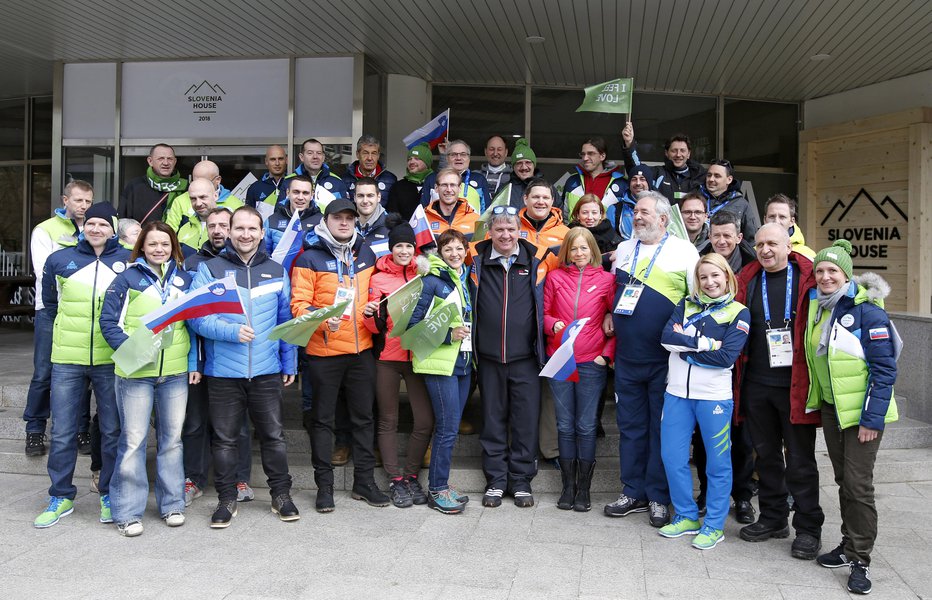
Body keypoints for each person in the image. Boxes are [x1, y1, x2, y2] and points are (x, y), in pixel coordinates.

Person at [190, 206, 299, 528]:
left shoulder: (277, 270)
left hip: (266, 369)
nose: (245, 234)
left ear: (262, 233)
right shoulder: (211, 269)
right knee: (224, 440)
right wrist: (230, 331)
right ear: (229, 231)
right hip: (223, 371)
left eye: (252, 229)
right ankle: (226, 499)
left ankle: (281, 495)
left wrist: (289, 360)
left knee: (274, 437)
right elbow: (196, 317)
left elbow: (285, 320)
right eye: (239, 228)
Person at [803, 240, 899, 595]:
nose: (825, 276)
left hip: (862, 413)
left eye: (833, 271)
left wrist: (872, 419)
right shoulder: (820, 308)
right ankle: (847, 546)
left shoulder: (868, 311)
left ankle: (860, 559)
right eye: (820, 271)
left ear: (847, 275)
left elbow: (884, 369)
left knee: (859, 485)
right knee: (845, 479)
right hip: (833, 408)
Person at [604, 191, 698, 528]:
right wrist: (607, 313)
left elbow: (696, 299)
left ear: (663, 218)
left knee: (661, 429)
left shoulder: (685, 251)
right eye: (635, 212)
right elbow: (612, 291)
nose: (637, 217)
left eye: (644, 212)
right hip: (627, 358)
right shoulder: (625, 248)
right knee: (629, 428)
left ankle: (658, 497)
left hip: (664, 360)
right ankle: (633, 492)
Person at [291, 198, 390, 512]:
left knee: (364, 419)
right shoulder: (309, 258)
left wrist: (376, 306)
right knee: (322, 422)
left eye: (349, 217)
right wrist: (322, 317)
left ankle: (364, 482)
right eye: (338, 218)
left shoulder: (367, 253)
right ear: (327, 221)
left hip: (362, 352)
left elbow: (377, 293)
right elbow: (298, 305)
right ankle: (325, 487)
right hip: (324, 352)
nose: (344, 223)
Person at [34, 202, 129, 528]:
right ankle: (61, 495)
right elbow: (49, 305)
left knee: (111, 430)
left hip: (109, 360)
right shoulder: (59, 259)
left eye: (103, 224)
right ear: (83, 227)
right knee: (61, 432)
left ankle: (108, 493)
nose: (96, 229)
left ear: (113, 229)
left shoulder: (128, 260)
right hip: (67, 360)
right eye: (91, 224)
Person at [99, 222, 196, 537]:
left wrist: (194, 363)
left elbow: (192, 326)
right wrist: (131, 351)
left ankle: (172, 506)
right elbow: (108, 322)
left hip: (174, 372)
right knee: (133, 441)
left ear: (173, 247)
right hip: (136, 373)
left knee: (172, 441)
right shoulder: (126, 279)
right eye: (152, 244)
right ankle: (127, 512)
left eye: (165, 244)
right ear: (141, 246)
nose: (159, 249)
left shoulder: (184, 279)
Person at [734, 223, 825, 560]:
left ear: (790, 246)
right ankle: (773, 518)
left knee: (800, 462)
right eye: (759, 244)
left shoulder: (807, 281)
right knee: (766, 456)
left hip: (795, 387)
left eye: (772, 243)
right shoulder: (748, 279)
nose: (765, 250)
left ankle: (808, 528)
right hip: (756, 384)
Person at [658, 253, 750, 550]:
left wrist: (684, 346)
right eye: (703, 277)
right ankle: (686, 515)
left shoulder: (739, 312)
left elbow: (726, 358)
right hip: (676, 395)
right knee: (672, 458)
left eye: (715, 276)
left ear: (727, 277)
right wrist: (706, 344)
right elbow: (665, 339)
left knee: (717, 464)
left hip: (713, 398)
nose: (709, 282)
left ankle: (714, 525)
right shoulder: (685, 304)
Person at [471, 207, 551, 508]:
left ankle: (520, 480)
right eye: (499, 229)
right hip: (490, 359)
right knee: (492, 420)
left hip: (526, 359)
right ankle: (495, 480)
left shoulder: (535, 262)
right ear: (489, 232)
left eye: (510, 229)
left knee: (525, 421)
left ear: (520, 231)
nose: (505, 235)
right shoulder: (476, 263)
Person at [181, 207, 255, 506]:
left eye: (224, 224)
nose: (217, 230)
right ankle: (193, 480)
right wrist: (193, 362)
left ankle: (240, 479)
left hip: (233, 359)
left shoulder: (246, 264)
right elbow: (192, 317)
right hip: (202, 359)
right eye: (212, 225)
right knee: (195, 423)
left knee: (237, 425)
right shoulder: (193, 264)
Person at [543, 227, 615, 512]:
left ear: (593, 250)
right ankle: (567, 487)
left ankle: (584, 489)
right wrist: (552, 326)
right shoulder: (555, 277)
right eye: (574, 248)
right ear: (567, 252)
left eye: (584, 248)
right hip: (561, 359)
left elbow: (615, 324)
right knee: (564, 424)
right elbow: (544, 315)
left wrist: (606, 356)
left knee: (585, 426)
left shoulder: (608, 280)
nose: (579, 253)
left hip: (591, 361)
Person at [363, 221, 433, 508]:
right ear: (391, 248)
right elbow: (374, 326)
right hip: (387, 359)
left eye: (408, 246)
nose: (404, 250)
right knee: (388, 420)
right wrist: (369, 315)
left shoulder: (425, 274)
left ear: (415, 250)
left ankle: (411, 474)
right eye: (398, 246)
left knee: (425, 420)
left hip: (417, 357)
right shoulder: (378, 278)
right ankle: (395, 479)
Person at [407, 229, 475, 514]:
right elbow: (412, 327)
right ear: (440, 252)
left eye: (459, 249)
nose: (455, 254)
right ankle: (437, 490)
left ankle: (441, 484)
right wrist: (449, 335)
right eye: (448, 250)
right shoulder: (431, 281)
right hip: (439, 363)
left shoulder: (463, 278)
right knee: (447, 429)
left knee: (450, 428)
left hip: (462, 362)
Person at [24, 180, 91, 457]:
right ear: (65, 200)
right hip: (51, 309)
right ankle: (35, 430)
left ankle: (81, 430)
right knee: (43, 372)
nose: (83, 207)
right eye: (78, 201)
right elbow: (45, 273)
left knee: (83, 372)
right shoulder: (45, 229)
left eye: (88, 201)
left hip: (84, 311)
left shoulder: (95, 226)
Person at [621, 127, 705, 204]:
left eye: (682, 150)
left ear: (688, 154)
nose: (678, 155)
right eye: (674, 151)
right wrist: (629, 144)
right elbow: (636, 169)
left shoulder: (698, 177)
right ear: (666, 153)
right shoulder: (657, 173)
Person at [165, 160, 243, 232]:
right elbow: (170, 233)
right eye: (195, 181)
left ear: (218, 180)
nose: (198, 203)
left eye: (205, 181)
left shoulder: (235, 204)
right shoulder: (180, 201)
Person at [119, 143, 188, 223]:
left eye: (170, 159)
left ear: (175, 161)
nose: (166, 163)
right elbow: (123, 221)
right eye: (161, 158)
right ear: (150, 161)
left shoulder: (185, 187)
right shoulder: (135, 186)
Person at [561, 137, 627, 218]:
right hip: (576, 230)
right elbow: (564, 216)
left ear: (602, 156)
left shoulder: (620, 183)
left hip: (607, 230)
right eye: (583, 154)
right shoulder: (572, 181)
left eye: (590, 154)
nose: (585, 158)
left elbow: (625, 217)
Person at [420, 140, 488, 213]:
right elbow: (423, 210)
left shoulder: (479, 179)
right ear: (447, 158)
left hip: (470, 223)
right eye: (453, 154)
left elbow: (486, 212)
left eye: (463, 154)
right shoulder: (432, 178)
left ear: (469, 158)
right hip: (438, 224)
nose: (458, 158)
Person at [699, 159, 759, 242]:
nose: (711, 179)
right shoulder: (696, 199)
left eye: (717, 176)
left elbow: (751, 240)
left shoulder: (742, 205)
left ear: (729, 179)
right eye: (709, 175)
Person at [264, 175, 322, 255]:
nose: (300, 197)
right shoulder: (272, 221)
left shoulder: (322, 222)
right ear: (288, 193)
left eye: (305, 193)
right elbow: (263, 255)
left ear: (312, 195)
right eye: (296, 192)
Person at [289, 138, 348, 208]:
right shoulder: (289, 181)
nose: (315, 157)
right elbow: (281, 211)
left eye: (319, 153)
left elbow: (344, 212)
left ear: (323, 157)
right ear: (301, 157)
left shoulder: (337, 182)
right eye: (310, 153)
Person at [425, 168, 480, 241]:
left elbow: (481, 251)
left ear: (460, 188)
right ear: (436, 188)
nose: (449, 190)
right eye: (444, 185)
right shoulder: (423, 220)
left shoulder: (476, 220)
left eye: (453, 185)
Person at [342, 134, 397, 204]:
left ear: (378, 155)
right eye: (365, 153)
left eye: (374, 153)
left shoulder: (390, 179)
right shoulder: (345, 179)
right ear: (357, 154)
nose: (370, 158)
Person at [698, 210, 757, 275]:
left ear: (739, 238)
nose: (721, 241)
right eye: (716, 236)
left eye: (727, 236)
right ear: (710, 237)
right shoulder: (698, 262)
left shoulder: (755, 266)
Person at [517, 178, 569, 251]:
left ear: (552, 201)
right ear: (525, 199)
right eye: (536, 197)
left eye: (545, 198)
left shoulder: (566, 234)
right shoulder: (512, 229)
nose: (541, 202)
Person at [605, 163, 653, 241]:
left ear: (649, 183)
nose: (638, 183)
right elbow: (609, 239)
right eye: (634, 179)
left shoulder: (660, 207)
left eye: (642, 179)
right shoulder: (615, 210)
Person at [385, 143, 433, 221]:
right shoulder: (398, 186)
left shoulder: (435, 184)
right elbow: (392, 217)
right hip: (404, 232)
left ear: (427, 163)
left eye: (417, 159)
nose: (411, 162)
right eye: (409, 159)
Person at [568, 193, 621, 263]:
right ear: (578, 215)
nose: (590, 217)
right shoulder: (568, 234)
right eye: (585, 212)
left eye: (594, 212)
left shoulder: (614, 238)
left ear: (600, 215)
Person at [174, 178, 220, 256]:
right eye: (193, 199)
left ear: (215, 196)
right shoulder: (183, 229)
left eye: (202, 197)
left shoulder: (228, 226)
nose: (198, 203)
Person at [765, 194, 815, 259]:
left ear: (792, 221)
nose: (776, 221)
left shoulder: (807, 255)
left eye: (782, 217)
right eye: (772, 216)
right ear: (765, 220)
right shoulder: (755, 252)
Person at [246, 145, 289, 210]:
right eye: (273, 159)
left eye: (280, 159)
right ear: (266, 161)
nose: (277, 163)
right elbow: (248, 216)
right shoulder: (255, 188)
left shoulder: (293, 184)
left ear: (286, 160)